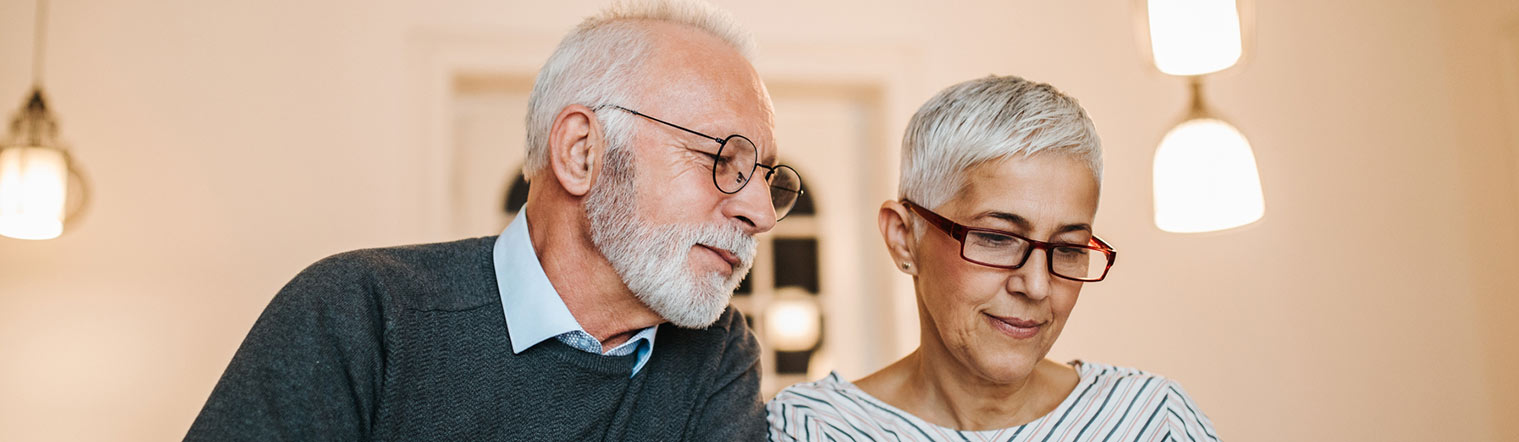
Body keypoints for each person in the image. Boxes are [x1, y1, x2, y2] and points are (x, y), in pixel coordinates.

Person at [186, 0, 804, 440]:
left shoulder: (718, 354)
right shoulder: (358, 314)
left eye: (768, 178)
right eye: (723, 160)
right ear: (582, 153)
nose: (761, 213)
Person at [766, 76, 1219, 441]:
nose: (1037, 286)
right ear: (904, 238)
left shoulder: (1154, 421)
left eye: (1068, 249)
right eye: (998, 238)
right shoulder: (812, 429)